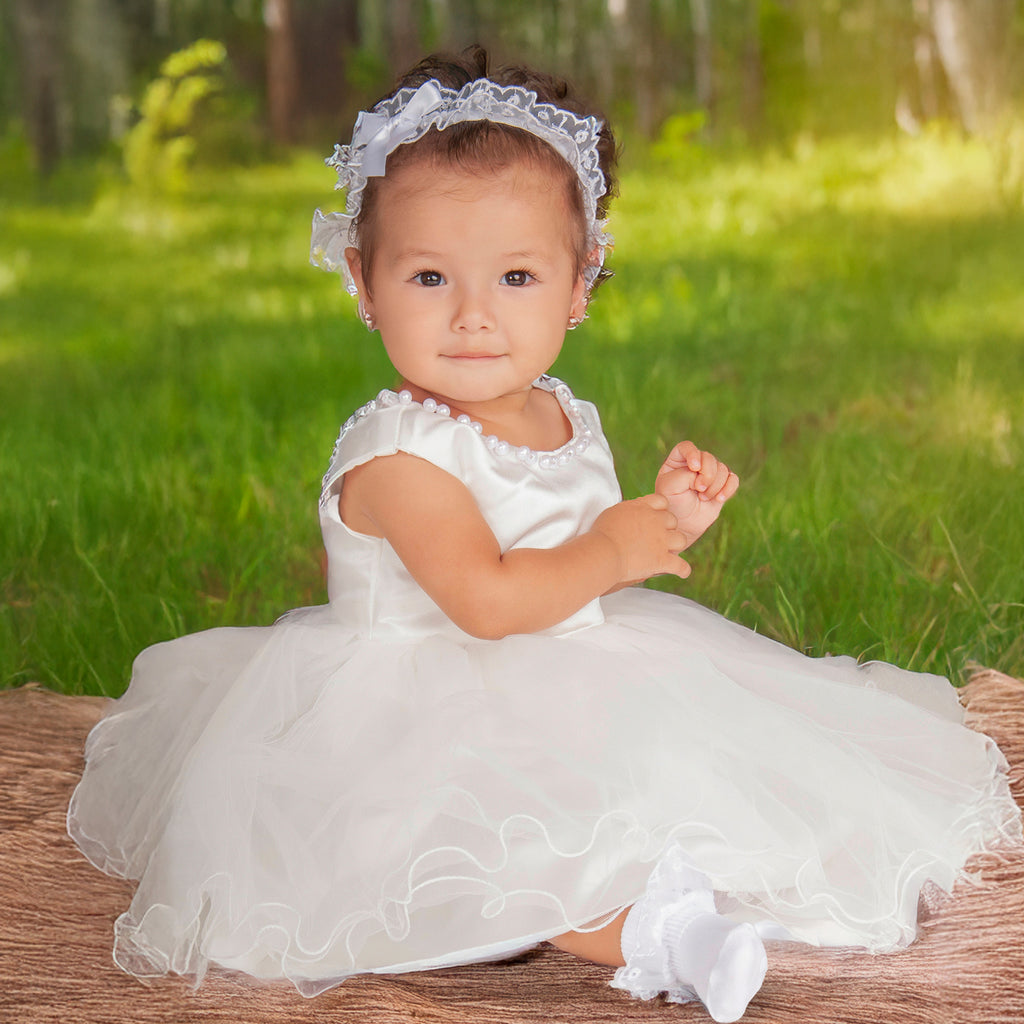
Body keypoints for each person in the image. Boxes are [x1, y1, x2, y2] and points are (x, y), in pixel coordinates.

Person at [68, 47, 1022, 1024]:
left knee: (681, 772)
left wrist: (664, 522)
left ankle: (731, 879)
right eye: (430, 274)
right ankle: (663, 930)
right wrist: (611, 549)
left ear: (579, 284)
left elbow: (582, 548)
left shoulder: (562, 410)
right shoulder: (397, 452)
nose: (474, 315)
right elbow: (484, 600)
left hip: (579, 669)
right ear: (362, 279)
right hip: (413, 710)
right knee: (503, 839)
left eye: (517, 275)